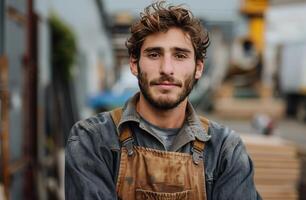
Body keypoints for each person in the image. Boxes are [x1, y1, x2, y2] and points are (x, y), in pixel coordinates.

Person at [65, 1, 261, 200]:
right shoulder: (92, 139)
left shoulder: (224, 150)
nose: (167, 68)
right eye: (154, 54)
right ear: (134, 63)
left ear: (199, 68)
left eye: (180, 55)